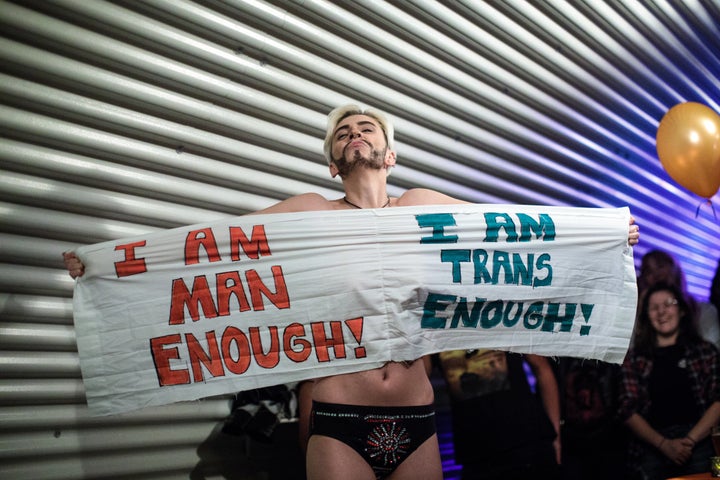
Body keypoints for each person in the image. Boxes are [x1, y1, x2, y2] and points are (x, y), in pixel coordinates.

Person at [63, 103, 640, 480]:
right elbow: (212, 248)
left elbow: (512, 233)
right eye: (343, 132)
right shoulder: (311, 214)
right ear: (334, 164)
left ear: (388, 155)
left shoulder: (421, 207)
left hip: (417, 420)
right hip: (338, 418)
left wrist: (605, 236)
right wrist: (108, 266)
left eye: (366, 128)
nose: (354, 132)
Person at [618, 282, 720, 480]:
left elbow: (718, 401)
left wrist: (689, 441)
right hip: (652, 446)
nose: (661, 312)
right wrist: (664, 445)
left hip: (699, 443)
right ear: (646, 315)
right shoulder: (634, 358)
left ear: (681, 310)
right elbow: (627, 410)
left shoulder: (704, 351)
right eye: (654, 307)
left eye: (668, 304)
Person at [437, 349, 561, 480]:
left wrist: (556, 440)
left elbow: (542, 369)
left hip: (527, 444)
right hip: (475, 453)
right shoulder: (433, 331)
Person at [637, 250, 720, 350]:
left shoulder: (704, 311)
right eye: (648, 271)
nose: (656, 274)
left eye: (660, 266)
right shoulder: (641, 314)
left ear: (674, 269)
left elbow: (712, 354)